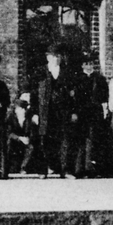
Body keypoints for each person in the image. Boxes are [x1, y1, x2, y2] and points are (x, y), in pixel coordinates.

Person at [35, 44, 75, 178]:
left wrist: (73, 111)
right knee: (44, 140)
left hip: (62, 112)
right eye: (53, 56)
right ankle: (43, 170)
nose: (56, 59)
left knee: (64, 140)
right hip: (45, 112)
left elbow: (73, 95)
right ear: (48, 57)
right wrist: (34, 113)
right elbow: (33, 94)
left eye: (58, 56)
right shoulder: (40, 72)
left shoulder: (67, 73)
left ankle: (66, 170)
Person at [71, 51, 109, 178]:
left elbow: (104, 97)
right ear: (82, 65)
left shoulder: (99, 79)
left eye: (91, 63)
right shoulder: (77, 79)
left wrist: (104, 110)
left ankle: (91, 168)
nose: (88, 66)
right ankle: (79, 169)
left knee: (93, 139)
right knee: (81, 140)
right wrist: (74, 112)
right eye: (86, 64)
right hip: (81, 113)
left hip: (95, 113)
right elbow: (74, 98)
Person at [5, 92, 37, 175]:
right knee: (9, 144)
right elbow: (8, 132)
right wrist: (19, 138)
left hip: (24, 140)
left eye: (23, 109)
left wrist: (28, 138)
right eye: (19, 109)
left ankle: (23, 167)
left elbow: (31, 131)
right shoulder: (11, 117)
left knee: (31, 147)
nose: (21, 111)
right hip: (14, 140)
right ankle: (7, 167)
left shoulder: (28, 118)